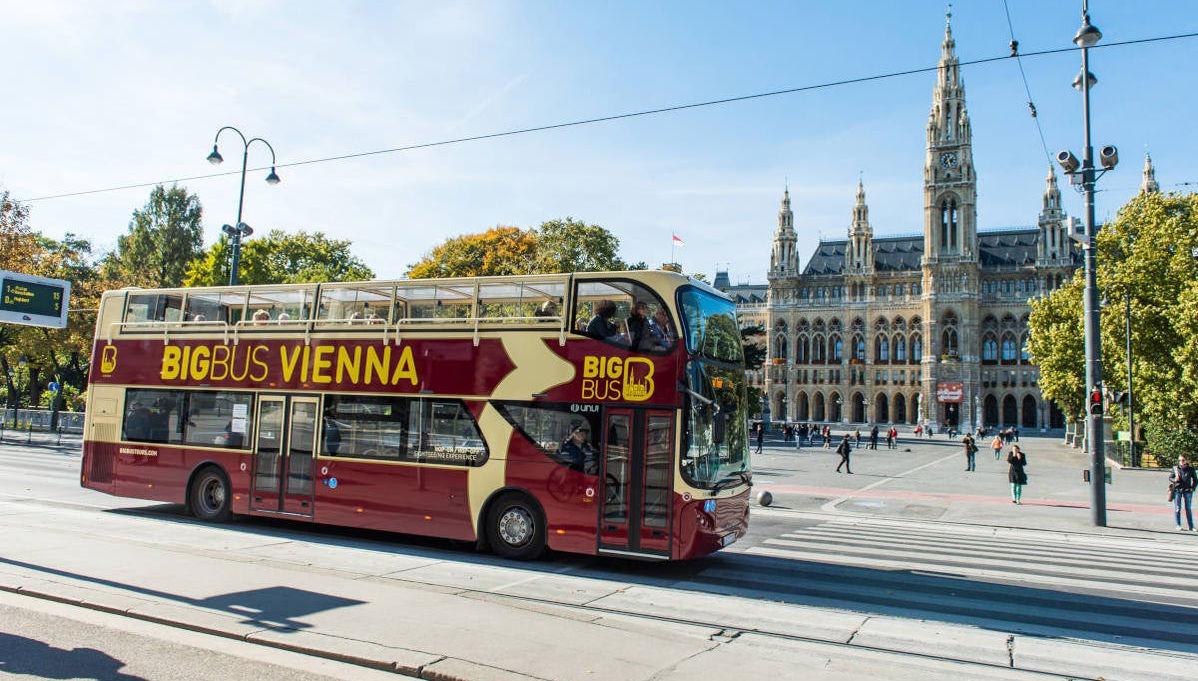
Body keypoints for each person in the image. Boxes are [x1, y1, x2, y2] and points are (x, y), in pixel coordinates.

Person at [1169, 455, 1197, 531]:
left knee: (1188, 508)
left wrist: (1192, 488)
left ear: (1187, 460)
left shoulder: (1191, 469)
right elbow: (1170, 477)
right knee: (1178, 508)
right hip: (1177, 490)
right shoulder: (1175, 469)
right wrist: (1175, 479)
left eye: (1183, 460)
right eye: (1180, 460)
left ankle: (1191, 526)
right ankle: (1178, 525)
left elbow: (1195, 480)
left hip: (1187, 490)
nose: (1181, 462)